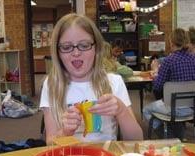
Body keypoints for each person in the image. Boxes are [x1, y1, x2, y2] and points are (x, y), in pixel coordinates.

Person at [39, 13, 143, 145]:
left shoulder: (114, 82)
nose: (76, 53)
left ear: (97, 49)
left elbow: (137, 139)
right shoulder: (52, 85)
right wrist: (65, 132)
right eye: (66, 47)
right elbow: (51, 144)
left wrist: (121, 111)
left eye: (84, 45)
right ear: (57, 52)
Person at [143, 28, 195, 139]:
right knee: (171, 109)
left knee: (146, 110)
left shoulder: (168, 61)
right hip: (193, 107)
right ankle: (177, 133)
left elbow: (158, 86)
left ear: (171, 42)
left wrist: (155, 71)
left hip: (173, 107)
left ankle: (170, 137)